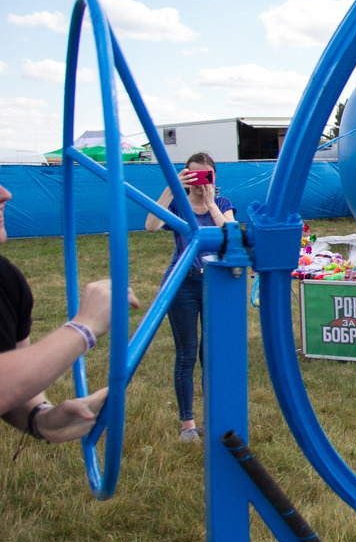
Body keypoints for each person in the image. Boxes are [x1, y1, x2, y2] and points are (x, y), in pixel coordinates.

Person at [1, 181, 141, 447]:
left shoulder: (7, 281)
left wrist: (40, 418)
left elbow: (12, 379)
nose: (6, 194)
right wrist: (82, 328)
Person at [145, 152, 235, 442]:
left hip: (213, 283)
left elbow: (230, 234)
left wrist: (210, 204)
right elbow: (151, 225)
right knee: (186, 353)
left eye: (206, 176)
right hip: (182, 283)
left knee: (210, 354)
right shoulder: (178, 204)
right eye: (193, 175)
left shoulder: (221, 204)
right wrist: (172, 187)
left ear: (214, 177)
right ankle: (188, 425)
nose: (200, 182)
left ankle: (213, 419)